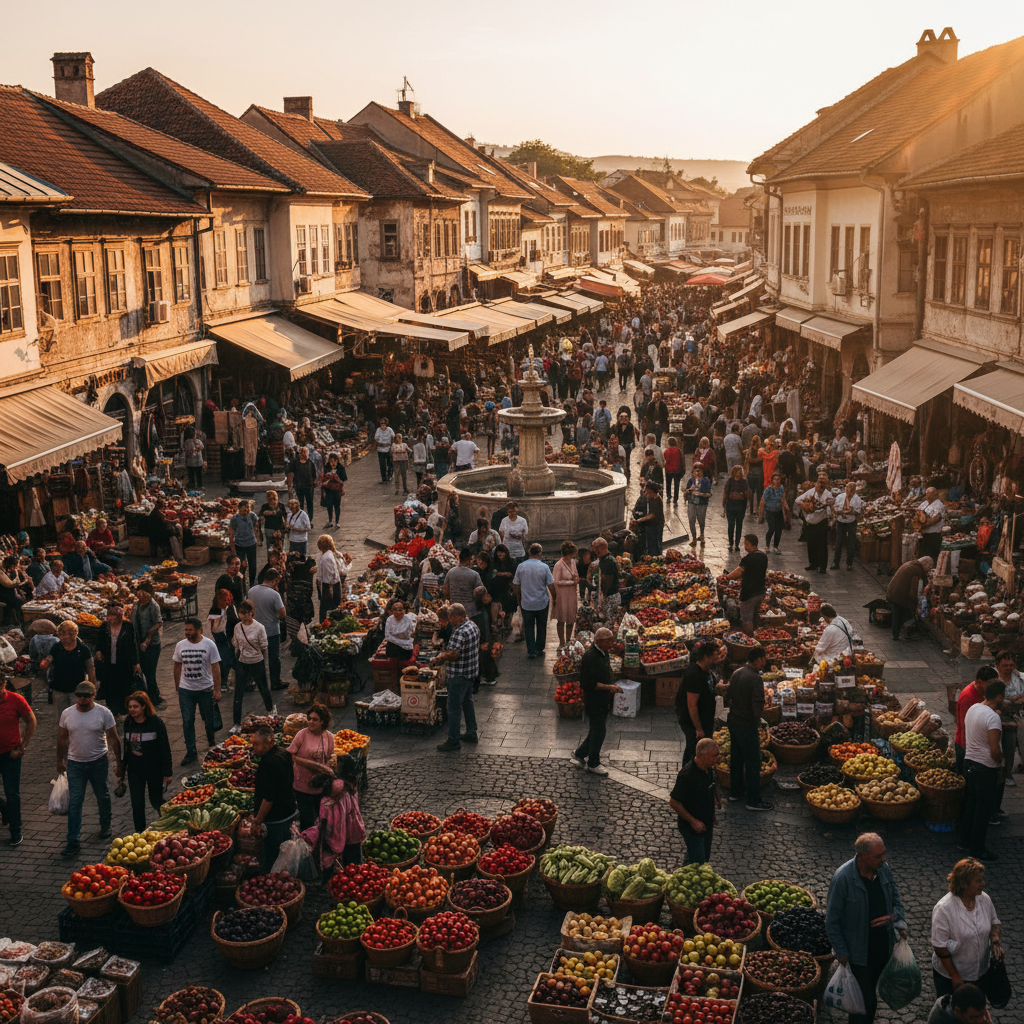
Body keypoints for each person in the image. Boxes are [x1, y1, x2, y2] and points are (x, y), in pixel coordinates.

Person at [825, 833, 908, 1024]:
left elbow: (896, 898)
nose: (884, 859)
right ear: (861, 856)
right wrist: (841, 951)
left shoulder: (883, 869)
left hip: (882, 948)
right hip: (858, 953)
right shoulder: (843, 879)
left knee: (869, 994)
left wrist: (896, 919)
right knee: (864, 1001)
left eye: (884, 854)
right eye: (878, 856)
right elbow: (832, 920)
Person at [57, 681, 121, 856]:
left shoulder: (104, 713)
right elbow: (62, 738)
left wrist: (119, 762)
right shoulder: (67, 713)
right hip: (75, 764)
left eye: (86, 695)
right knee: (75, 801)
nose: (82, 699)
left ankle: (105, 826)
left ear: (93, 696)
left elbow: (114, 738)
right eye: (79, 695)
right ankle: (73, 840)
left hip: (98, 762)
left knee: (103, 795)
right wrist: (59, 761)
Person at [930, 858, 1003, 996]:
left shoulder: (984, 899)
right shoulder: (944, 909)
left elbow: (994, 922)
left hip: (981, 972)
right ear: (964, 884)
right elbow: (940, 947)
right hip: (951, 977)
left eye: (982, 879)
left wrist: (995, 942)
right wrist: (954, 975)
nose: (983, 884)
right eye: (978, 881)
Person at [116, 691, 172, 833]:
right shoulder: (128, 723)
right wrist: (122, 771)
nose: (132, 710)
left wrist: (167, 772)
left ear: (143, 707)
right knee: (137, 804)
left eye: (135, 706)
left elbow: (165, 748)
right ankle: (140, 833)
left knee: (156, 800)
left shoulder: (156, 723)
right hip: (135, 771)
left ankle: (168, 823)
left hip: (154, 769)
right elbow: (127, 747)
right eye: (130, 707)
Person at [962, 679, 1005, 861]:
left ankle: (964, 841)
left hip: (969, 762)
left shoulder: (973, 708)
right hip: (985, 767)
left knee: (971, 804)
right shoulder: (993, 718)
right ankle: (977, 849)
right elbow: (995, 750)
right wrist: (1001, 762)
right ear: (1000, 696)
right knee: (983, 809)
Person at [570, 627, 622, 776]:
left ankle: (580, 753)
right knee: (599, 731)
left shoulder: (602, 653)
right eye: (609, 640)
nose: (612, 642)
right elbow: (589, 683)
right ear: (599, 641)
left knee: (596, 730)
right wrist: (610, 687)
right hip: (595, 701)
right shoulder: (592, 657)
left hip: (602, 700)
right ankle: (593, 763)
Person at [726, 645, 772, 810]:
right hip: (746, 722)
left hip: (733, 720)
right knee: (753, 761)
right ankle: (753, 800)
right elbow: (757, 704)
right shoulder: (755, 678)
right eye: (764, 659)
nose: (765, 662)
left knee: (737, 757)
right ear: (759, 660)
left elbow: (728, 696)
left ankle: (735, 792)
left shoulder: (737, 672)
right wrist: (756, 723)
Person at [171, 618, 222, 768]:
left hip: (206, 689)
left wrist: (217, 690)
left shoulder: (209, 645)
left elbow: (216, 668)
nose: (187, 633)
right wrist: (177, 686)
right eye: (186, 630)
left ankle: (212, 745)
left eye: (190, 630)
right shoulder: (180, 645)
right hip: (186, 691)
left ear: (199, 630)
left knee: (208, 720)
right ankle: (191, 751)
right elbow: (177, 665)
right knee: (187, 721)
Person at [301, 756, 366, 872]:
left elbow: (328, 820)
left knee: (340, 859)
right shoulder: (352, 785)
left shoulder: (335, 794)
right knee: (353, 861)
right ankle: (353, 874)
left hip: (341, 831)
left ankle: (338, 876)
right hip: (355, 828)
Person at [431, 604, 481, 752]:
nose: (449, 621)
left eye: (450, 618)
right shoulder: (472, 625)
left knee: (453, 707)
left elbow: (453, 654)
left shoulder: (459, 631)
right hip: (471, 672)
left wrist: (440, 657)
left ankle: (453, 739)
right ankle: (472, 732)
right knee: (467, 701)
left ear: (456, 616)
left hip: (459, 674)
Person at [251, 724, 296, 869]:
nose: (254, 748)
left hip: (276, 819)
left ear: (269, 742)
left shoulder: (269, 763)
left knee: (274, 856)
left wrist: (257, 822)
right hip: (288, 810)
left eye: (256, 744)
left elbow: (268, 799)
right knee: (286, 851)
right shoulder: (283, 752)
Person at [670, 738, 722, 864]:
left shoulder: (708, 768)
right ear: (703, 756)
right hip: (691, 827)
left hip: (706, 823)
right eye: (715, 755)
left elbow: (711, 785)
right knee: (697, 861)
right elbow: (674, 802)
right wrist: (693, 821)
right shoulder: (687, 776)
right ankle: (682, 880)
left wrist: (715, 802)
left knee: (701, 856)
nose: (718, 758)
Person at [0, 669, 36, 847]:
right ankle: (4, 809)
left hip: (10, 754)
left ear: (4, 684)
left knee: (12, 793)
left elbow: (31, 720)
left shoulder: (16, 700)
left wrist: (23, 746)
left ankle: (16, 830)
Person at [288, 702, 336, 830]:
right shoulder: (302, 735)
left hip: (320, 785)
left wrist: (329, 765)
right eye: (309, 719)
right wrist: (312, 765)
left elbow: (332, 756)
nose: (310, 722)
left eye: (315, 719)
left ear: (322, 721)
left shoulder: (329, 737)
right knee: (306, 819)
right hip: (302, 785)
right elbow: (291, 756)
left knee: (322, 817)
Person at [230, 599, 272, 732]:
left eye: (246, 613)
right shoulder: (237, 627)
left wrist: (263, 662)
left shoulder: (259, 627)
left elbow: (264, 647)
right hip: (242, 662)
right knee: (238, 693)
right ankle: (236, 723)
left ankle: (271, 712)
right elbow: (236, 645)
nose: (244, 616)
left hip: (257, 662)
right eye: (241, 613)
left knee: (263, 688)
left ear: (251, 613)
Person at [94, 604, 139, 719]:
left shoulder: (128, 626)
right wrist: (98, 651)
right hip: (108, 664)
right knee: (110, 687)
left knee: (124, 687)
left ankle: (124, 709)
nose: (109, 618)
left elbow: (133, 645)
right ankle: (113, 710)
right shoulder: (104, 627)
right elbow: (99, 642)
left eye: (112, 615)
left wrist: (136, 662)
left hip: (124, 663)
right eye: (109, 615)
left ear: (119, 616)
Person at [677, 641, 718, 763]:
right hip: (692, 721)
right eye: (715, 654)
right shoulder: (695, 674)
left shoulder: (706, 670)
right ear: (706, 657)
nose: (717, 657)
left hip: (704, 718)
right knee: (693, 748)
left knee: (698, 748)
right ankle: (686, 774)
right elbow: (692, 705)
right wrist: (698, 729)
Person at [513, 544, 556, 660]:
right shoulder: (544, 567)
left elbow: (516, 585)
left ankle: (531, 650)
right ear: (540, 553)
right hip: (542, 601)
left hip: (526, 602)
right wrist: (554, 598)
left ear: (529, 552)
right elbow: (551, 585)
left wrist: (518, 597)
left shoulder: (521, 567)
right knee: (542, 626)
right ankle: (539, 648)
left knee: (529, 626)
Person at [43, 620, 96, 712]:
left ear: (75, 633)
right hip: (59, 689)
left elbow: (90, 668)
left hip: (78, 690)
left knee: (78, 715)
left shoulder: (83, 649)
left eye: (69, 633)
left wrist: (91, 689)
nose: (66, 636)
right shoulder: (56, 648)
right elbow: (49, 659)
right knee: (63, 716)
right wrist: (45, 663)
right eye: (63, 634)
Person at [954, 667, 998, 773]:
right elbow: (965, 726)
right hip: (965, 746)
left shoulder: (980, 691)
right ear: (979, 682)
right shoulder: (968, 697)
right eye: (990, 684)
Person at [991, 649, 1024, 789]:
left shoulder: (1019, 678)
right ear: (997, 665)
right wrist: (1011, 700)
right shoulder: (993, 678)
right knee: (995, 745)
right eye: (1005, 665)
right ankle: (994, 772)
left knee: (1010, 747)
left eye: (1011, 665)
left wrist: (1016, 699)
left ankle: (1008, 773)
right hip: (995, 716)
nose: (1009, 668)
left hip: (1015, 717)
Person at [725, 534, 767, 635]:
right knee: (755, 615)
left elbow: (739, 571)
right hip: (761, 591)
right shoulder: (763, 556)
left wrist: (727, 577)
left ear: (749, 544)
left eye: (745, 544)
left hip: (749, 593)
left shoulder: (748, 559)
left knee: (746, 618)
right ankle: (757, 634)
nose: (744, 546)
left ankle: (750, 639)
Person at [886, 555, 933, 641]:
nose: (929, 570)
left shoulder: (912, 564)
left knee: (896, 613)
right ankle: (905, 633)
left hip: (893, 592)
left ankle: (895, 634)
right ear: (925, 565)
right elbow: (915, 591)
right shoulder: (917, 571)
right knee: (904, 613)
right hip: (900, 595)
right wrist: (915, 604)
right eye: (929, 568)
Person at [132, 583, 163, 706]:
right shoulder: (136, 605)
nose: (140, 594)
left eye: (144, 592)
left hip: (152, 644)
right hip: (139, 643)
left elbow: (158, 623)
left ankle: (154, 697)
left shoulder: (153, 606)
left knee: (150, 672)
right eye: (139, 592)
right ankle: (146, 696)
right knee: (143, 670)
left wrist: (147, 639)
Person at [798, 474, 834, 574]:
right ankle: (813, 563)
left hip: (821, 522)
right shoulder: (811, 492)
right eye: (819, 480)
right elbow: (799, 500)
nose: (820, 482)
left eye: (823, 479)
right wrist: (805, 506)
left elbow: (830, 507)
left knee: (822, 544)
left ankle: (822, 566)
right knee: (811, 543)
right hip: (811, 521)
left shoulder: (828, 494)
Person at [207, 588, 238, 689]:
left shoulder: (230, 608)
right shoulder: (214, 611)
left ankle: (224, 681)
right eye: (226, 600)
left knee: (229, 659)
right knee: (225, 659)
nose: (228, 602)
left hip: (229, 636)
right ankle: (222, 682)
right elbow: (212, 627)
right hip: (219, 638)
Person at [444, 547, 484, 621]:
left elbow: (446, 592)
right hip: (470, 612)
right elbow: (480, 593)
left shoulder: (450, 572)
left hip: (454, 610)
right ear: (470, 559)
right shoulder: (474, 574)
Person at [229, 500, 262, 589]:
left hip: (251, 544)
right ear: (239, 509)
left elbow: (257, 526)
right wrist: (233, 550)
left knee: (253, 565)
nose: (247, 510)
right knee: (241, 566)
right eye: (244, 509)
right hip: (240, 545)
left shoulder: (252, 516)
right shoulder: (235, 519)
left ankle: (252, 583)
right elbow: (231, 534)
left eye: (248, 508)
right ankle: (241, 583)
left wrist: (257, 538)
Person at [832, 481, 865, 570]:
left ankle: (849, 563)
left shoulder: (857, 499)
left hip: (851, 522)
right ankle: (836, 563)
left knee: (851, 543)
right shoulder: (840, 497)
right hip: (841, 521)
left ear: (854, 490)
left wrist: (851, 511)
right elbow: (835, 508)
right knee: (839, 542)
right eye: (847, 487)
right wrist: (840, 512)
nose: (848, 489)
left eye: (851, 488)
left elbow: (858, 512)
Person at [553, 541, 579, 645]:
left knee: (571, 617)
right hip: (562, 594)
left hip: (571, 594)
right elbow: (557, 581)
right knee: (562, 618)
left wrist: (576, 578)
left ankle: (568, 639)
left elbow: (575, 573)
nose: (571, 557)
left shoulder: (573, 562)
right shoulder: (559, 565)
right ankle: (562, 641)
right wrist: (571, 582)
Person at [759, 472, 789, 553]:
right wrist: (760, 516)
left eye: (778, 479)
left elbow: (783, 500)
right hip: (770, 511)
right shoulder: (768, 490)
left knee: (778, 530)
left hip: (778, 511)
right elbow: (762, 502)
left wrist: (786, 512)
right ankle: (767, 545)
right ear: (772, 480)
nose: (777, 481)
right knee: (771, 528)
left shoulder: (781, 489)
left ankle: (776, 546)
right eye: (775, 479)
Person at [722, 465, 750, 552]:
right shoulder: (730, 481)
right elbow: (726, 493)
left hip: (740, 506)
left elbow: (747, 494)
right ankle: (731, 543)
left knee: (739, 525)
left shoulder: (744, 482)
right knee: (731, 525)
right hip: (731, 505)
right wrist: (724, 504)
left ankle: (737, 544)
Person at [684, 463, 712, 548]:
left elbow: (709, 494)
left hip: (701, 503)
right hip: (692, 502)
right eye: (696, 471)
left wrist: (699, 494)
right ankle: (694, 538)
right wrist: (687, 492)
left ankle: (702, 534)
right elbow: (687, 490)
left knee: (701, 520)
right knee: (691, 520)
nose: (697, 473)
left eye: (699, 471)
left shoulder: (706, 480)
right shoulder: (691, 480)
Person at [917, 486, 946, 561]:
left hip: (933, 536)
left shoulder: (939, 505)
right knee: (922, 557)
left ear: (935, 494)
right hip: (924, 535)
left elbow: (936, 518)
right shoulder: (924, 503)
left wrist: (922, 525)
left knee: (930, 558)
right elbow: (917, 513)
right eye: (926, 494)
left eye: (929, 493)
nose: (927, 495)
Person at [321, 452, 347, 528]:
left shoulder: (340, 467)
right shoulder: (327, 467)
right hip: (329, 489)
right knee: (329, 505)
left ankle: (337, 522)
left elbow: (344, 478)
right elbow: (323, 477)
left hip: (337, 490)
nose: (332, 462)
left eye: (333, 460)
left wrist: (337, 478)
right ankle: (330, 520)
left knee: (337, 505)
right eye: (330, 460)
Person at [663, 437, 684, 503]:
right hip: (676, 470)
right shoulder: (678, 450)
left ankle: (669, 496)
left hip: (668, 470)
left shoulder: (666, 451)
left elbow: (665, 459)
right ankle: (675, 498)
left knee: (668, 484)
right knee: (676, 484)